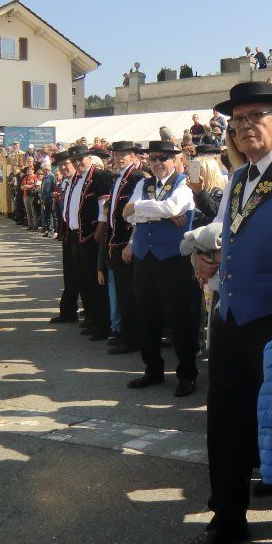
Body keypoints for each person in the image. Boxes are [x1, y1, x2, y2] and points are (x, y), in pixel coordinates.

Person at [182, 81, 272, 544]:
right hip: (232, 317)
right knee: (226, 421)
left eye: (255, 116)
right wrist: (213, 265)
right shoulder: (238, 179)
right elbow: (231, 235)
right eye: (236, 121)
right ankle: (228, 518)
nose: (244, 128)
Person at [123, 140, 200, 395]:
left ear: (175, 160)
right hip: (145, 259)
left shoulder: (183, 185)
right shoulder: (142, 184)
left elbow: (173, 207)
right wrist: (159, 213)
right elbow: (127, 214)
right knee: (147, 317)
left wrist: (142, 209)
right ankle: (152, 370)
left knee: (180, 319)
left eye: (164, 158)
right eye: (154, 159)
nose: (158, 163)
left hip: (174, 261)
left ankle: (187, 374)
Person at [98, 141, 148, 356]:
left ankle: (132, 338)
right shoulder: (118, 177)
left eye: (124, 154)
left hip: (125, 242)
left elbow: (138, 213)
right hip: (115, 242)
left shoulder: (137, 176)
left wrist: (131, 243)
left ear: (134, 156)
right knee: (122, 292)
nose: (119, 158)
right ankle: (126, 335)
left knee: (128, 294)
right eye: (117, 154)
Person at [63, 144, 114, 340]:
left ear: (89, 157)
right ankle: (92, 319)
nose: (77, 163)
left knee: (95, 283)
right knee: (83, 281)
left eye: (80, 159)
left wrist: (99, 230)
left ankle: (102, 324)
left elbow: (105, 206)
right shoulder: (77, 178)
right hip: (77, 235)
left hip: (91, 236)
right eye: (74, 160)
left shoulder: (99, 176)